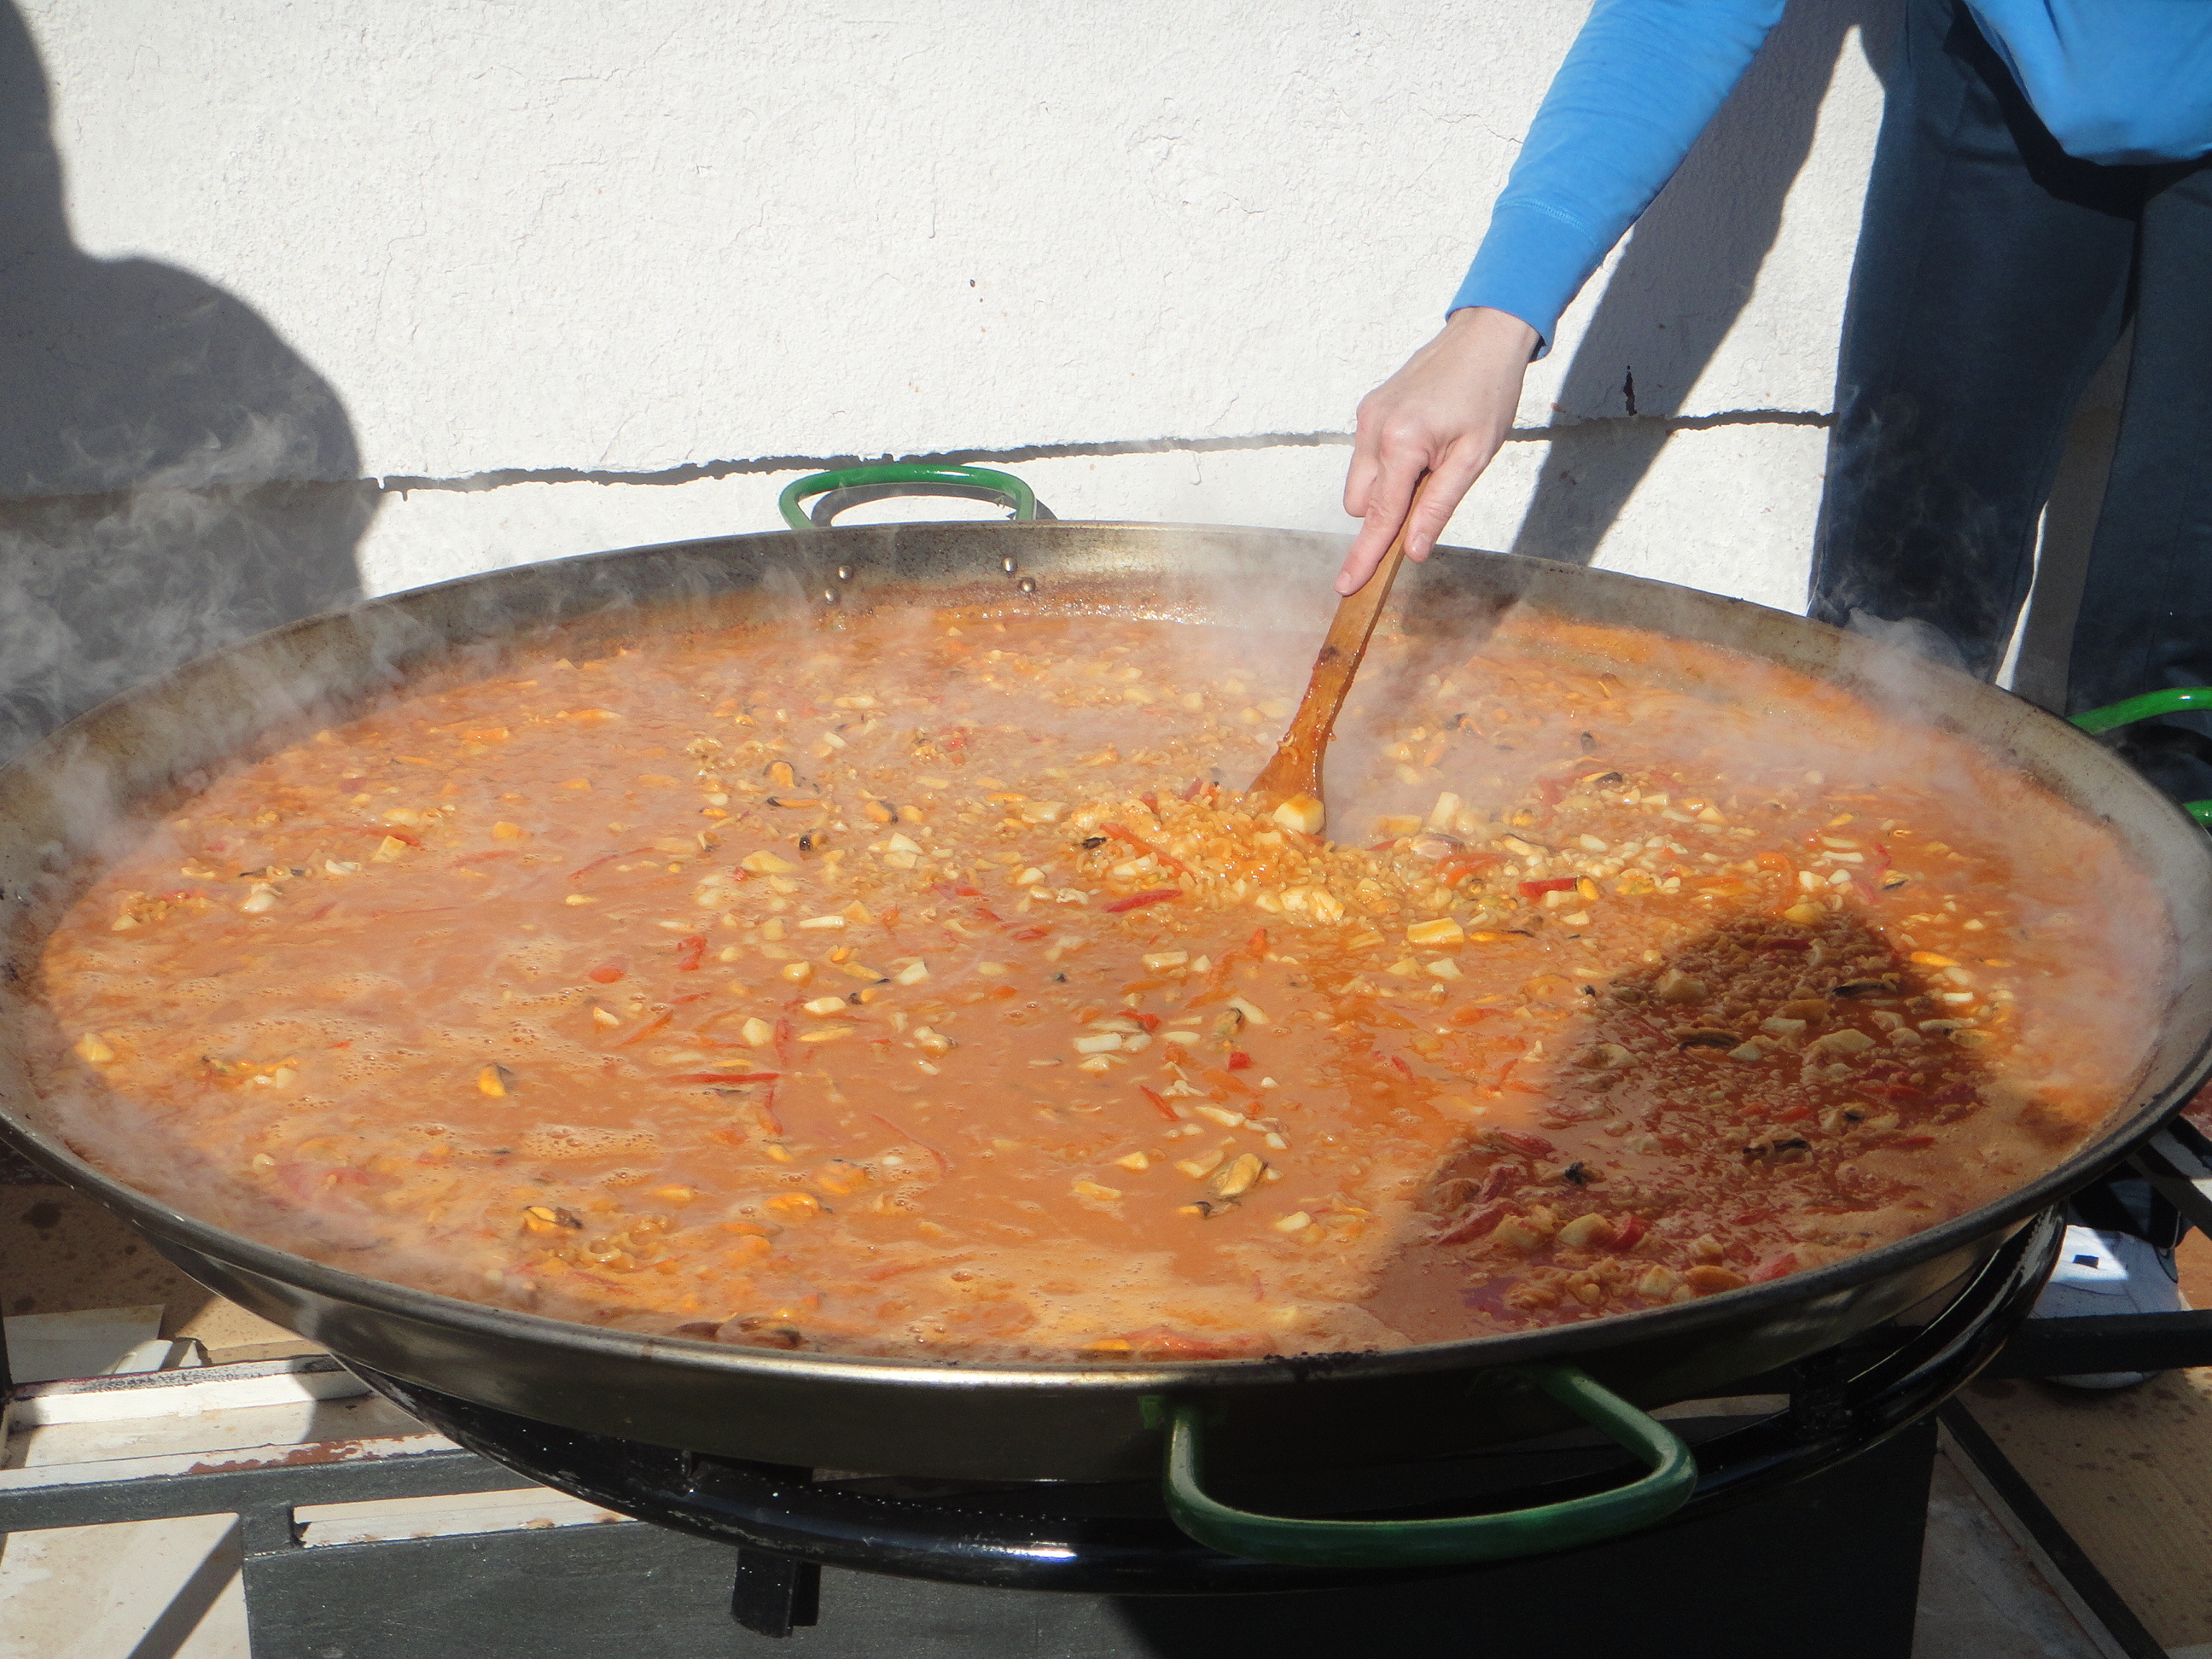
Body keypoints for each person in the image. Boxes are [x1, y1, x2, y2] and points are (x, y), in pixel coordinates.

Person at [1342, 0, 2212, 1385]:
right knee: (1887, 645)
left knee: (2179, 687)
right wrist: (1497, 319)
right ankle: (1820, 1169)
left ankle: (2121, 1203)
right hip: (2004, 80)